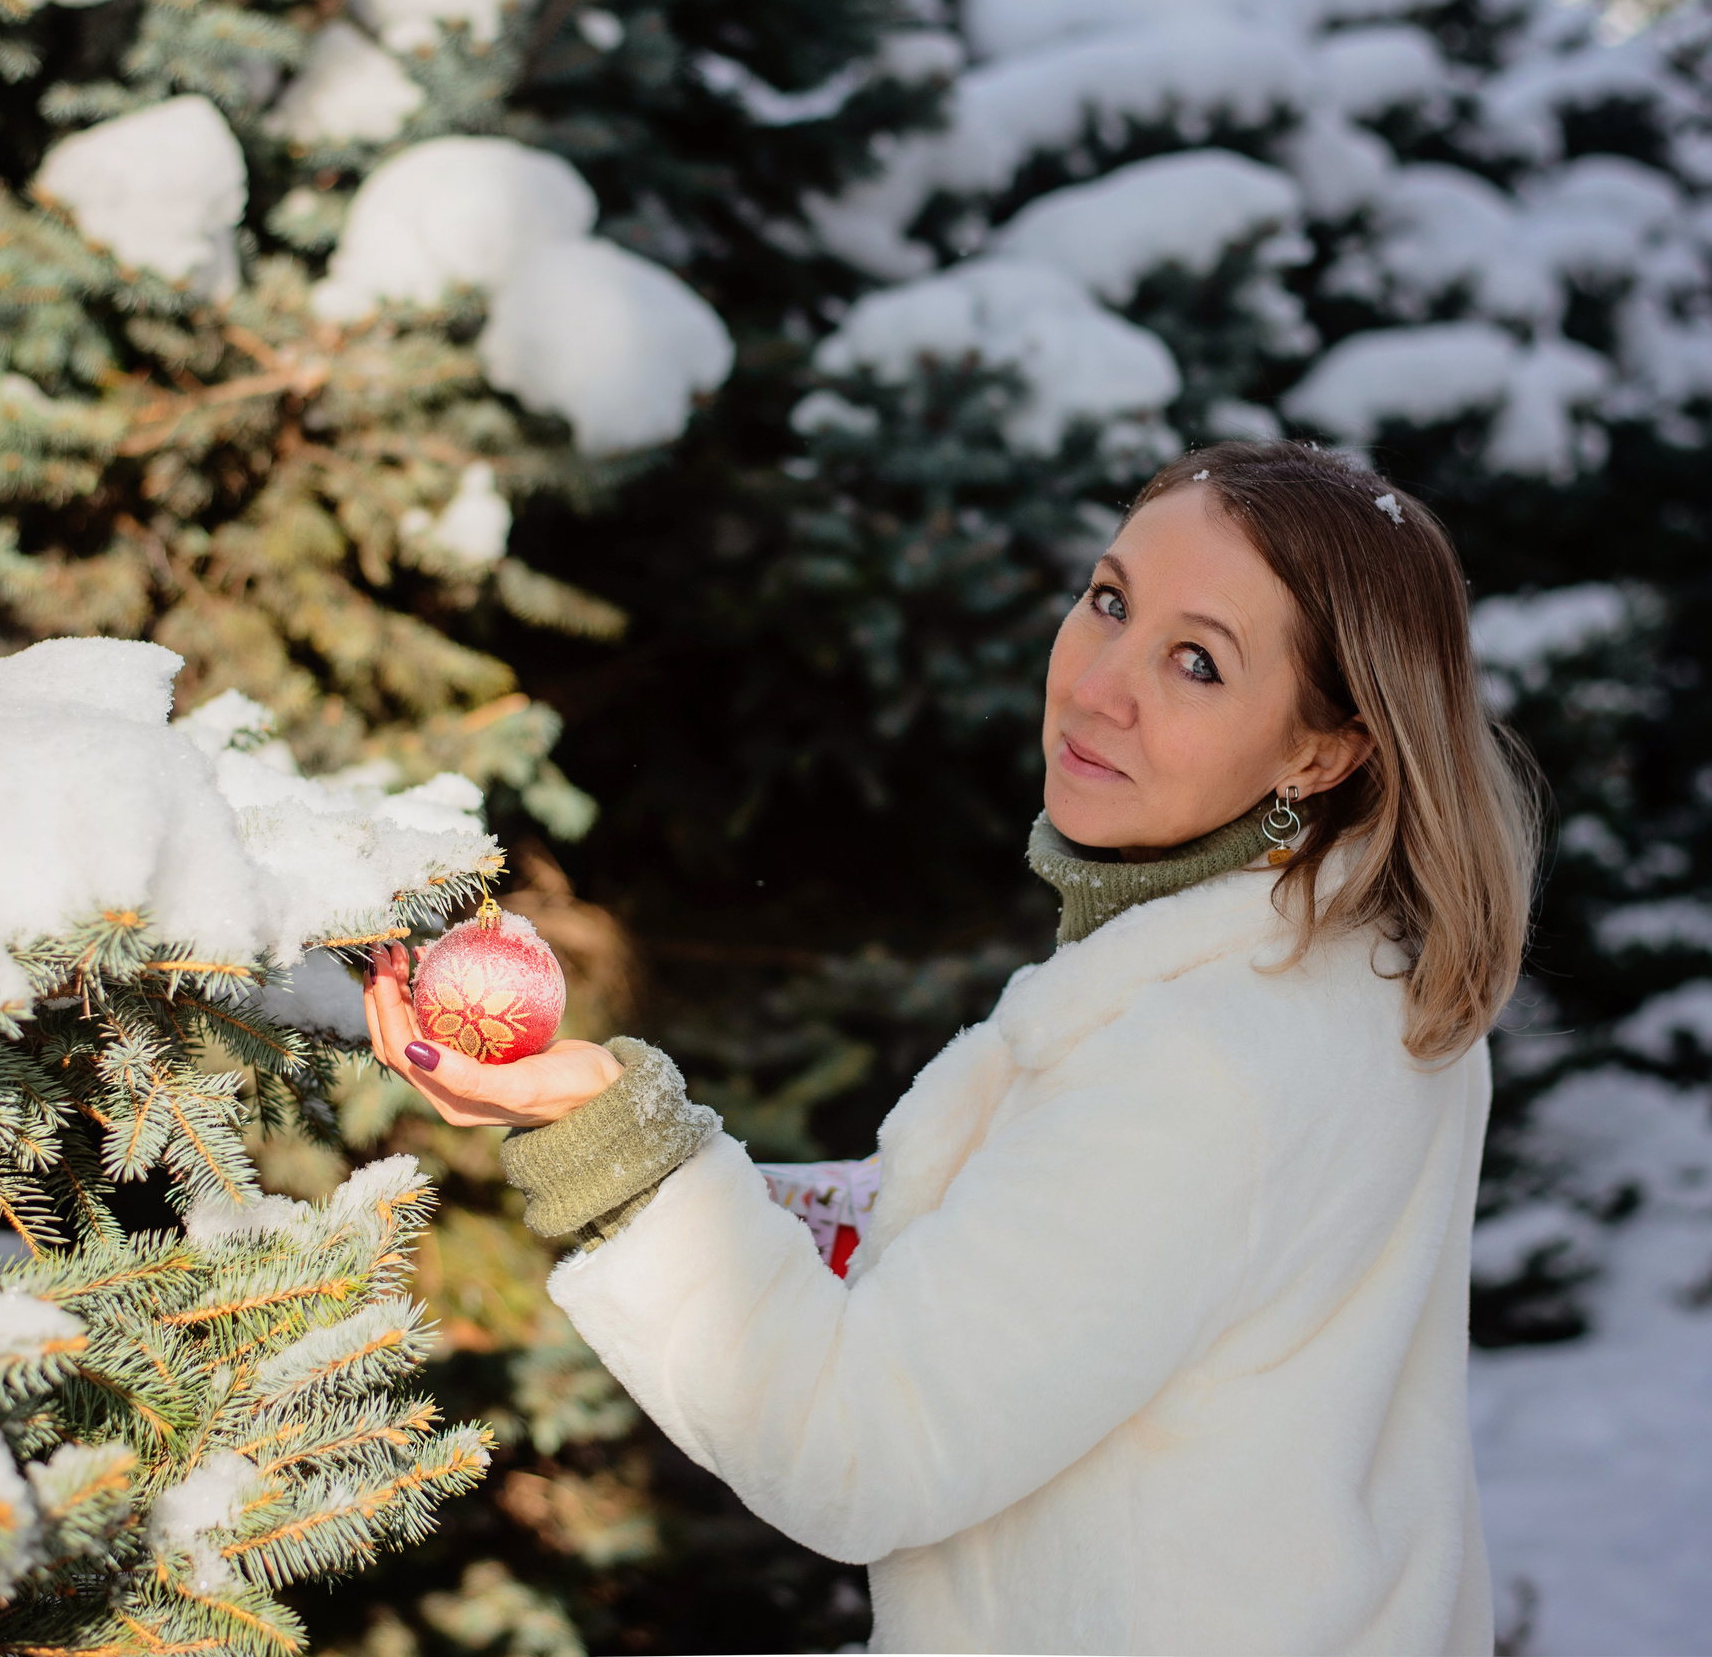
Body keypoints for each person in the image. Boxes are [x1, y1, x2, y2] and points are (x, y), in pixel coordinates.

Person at [362, 439, 1540, 1656]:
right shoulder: (1364, 976)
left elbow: (864, 1441)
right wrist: (654, 1149)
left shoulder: (1203, 1062)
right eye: (1109, 600)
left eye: (1196, 661)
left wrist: (606, 1140)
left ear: (1323, 749)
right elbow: (1043, 1262)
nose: (1098, 686)